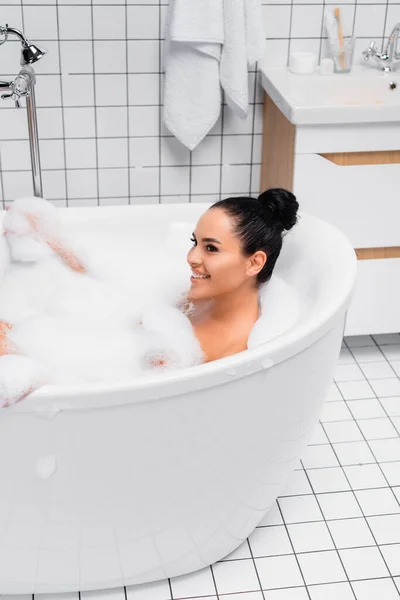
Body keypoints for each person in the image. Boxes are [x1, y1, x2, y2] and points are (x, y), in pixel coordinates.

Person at [0, 188, 299, 401]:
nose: (191, 257)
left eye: (210, 248)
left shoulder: (227, 357)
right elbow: (114, 284)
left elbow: (100, 400)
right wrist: (53, 241)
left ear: (254, 262)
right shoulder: (200, 298)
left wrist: (13, 351)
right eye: (193, 242)